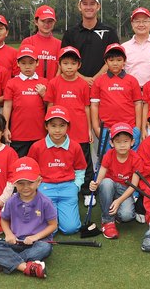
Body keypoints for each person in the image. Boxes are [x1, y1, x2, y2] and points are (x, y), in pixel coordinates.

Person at [0, 156, 57, 278]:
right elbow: (4, 219)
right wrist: (8, 234)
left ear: (39, 181)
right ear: (14, 183)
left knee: (45, 248)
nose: (26, 187)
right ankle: (26, 267)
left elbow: (53, 225)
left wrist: (35, 237)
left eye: (30, 182)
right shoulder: (11, 201)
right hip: (15, 241)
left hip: (37, 242)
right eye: (21, 183)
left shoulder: (45, 202)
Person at [26, 106, 87, 234]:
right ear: (46, 126)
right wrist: (36, 187)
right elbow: (30, 170)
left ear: (68, 127)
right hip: (46, 188)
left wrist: (76, 186)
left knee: (71, 228)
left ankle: (60, 215)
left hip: (68, 187)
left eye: (62, 125)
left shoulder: (75, 146)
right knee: (49, 230)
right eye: (53, 125)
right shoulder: (37, 147)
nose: (57, 130)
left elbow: (80, 169)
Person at [43, 46, 92, 200]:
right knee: (63, 159)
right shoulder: (53, 83)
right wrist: (49, 127)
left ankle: (87, 191)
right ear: (59, 64)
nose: (69, 67)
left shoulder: (83, 84)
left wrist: (89, 129)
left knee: (84, 161)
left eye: (73, 63)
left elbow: (87, 107)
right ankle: (66, 188)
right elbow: (50, 106)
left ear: (79, 65)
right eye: (65, 63)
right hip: (59, 130)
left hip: (80, 128)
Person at [88, 123, 143, 239]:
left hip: (125, 190)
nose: (122, 145)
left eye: (126, 141)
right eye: (118, 141)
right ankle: (107, 221)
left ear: (132, 142)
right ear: (111, 143)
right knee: (106, 183)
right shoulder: (109, 155)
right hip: (110, 185)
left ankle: (113, 207)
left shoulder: (136, 159)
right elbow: (101, 176)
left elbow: (133, 186)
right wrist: (95, 184)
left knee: (127, 216)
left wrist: (119, 201)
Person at [90, 43, 143, 154]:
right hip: (107, 129)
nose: (115, 63)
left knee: (130, 162)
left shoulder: (132, 80)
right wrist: (96, 128)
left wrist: (137, 128)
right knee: (108, 163)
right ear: (106, 61)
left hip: (129, 128)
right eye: (111, 60)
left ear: (124, 62)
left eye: (119, 60)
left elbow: (138, 104)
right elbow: (94, 105)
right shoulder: (99, 81)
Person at [60, 0, 119, 86]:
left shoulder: (109, 32)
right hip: (75, 85)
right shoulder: (70, 33)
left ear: (98, 6)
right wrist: (83, 79)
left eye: (92, 4)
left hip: (103, 85)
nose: (88, 7)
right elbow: (64, 61)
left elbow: (114, 59)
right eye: (85, 4)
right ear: (79, 6)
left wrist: (96, 79)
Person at [2, 45, 48, 156]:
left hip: (40, 134)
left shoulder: (44, 82)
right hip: (18, 134)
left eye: (31, 63)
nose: (27, 66)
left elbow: (50, 106)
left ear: (37, 63)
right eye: (23, 63)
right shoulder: (12, 83)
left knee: (39, 166)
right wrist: (5, 128)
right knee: (19, 166)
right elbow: (7, 106)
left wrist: (44, 95)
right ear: (17, 63)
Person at [121, 7, 150, 87]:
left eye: (145, 21)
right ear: (132, 24)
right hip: (130, 92)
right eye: (137, 21)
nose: (141, 24)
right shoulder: (124, 47)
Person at [21, 5, 61, 81]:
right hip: (31, 89)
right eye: (43, 21)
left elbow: (61, 68)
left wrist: (53, 85)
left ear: (54, 22)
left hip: (53, 88)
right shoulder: (28, 42)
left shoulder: (59, 44)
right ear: (36, 22)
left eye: (50, 21)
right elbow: (22, 67)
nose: (46, 24)